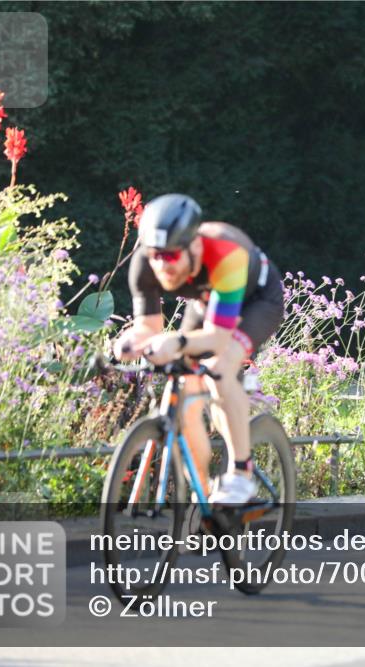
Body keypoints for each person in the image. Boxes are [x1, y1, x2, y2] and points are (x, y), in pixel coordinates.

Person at [112, 194, 284, 505]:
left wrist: (176, 342)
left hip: (258, 301)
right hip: (209, 302)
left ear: (193, 246)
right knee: (181, 387)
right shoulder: (145, 262)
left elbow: (217, 338)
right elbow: (148, 328)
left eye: (171, 257)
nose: (163, 266)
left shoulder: (224, 253)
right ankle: (204, 497)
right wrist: (130, 342)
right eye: (156, 256)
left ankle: (240, 474)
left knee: (219, 370)